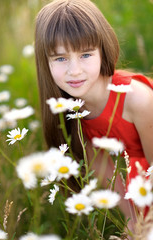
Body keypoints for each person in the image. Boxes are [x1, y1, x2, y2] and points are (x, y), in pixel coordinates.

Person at [34, 0, 153, 235]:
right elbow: (104, 170)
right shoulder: (69, 113)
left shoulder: (137, 100)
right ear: (44, 62)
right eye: (60, 58)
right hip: (140, 180)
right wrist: (134, 221)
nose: (74, 70)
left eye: (86, 54)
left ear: (103, 50)